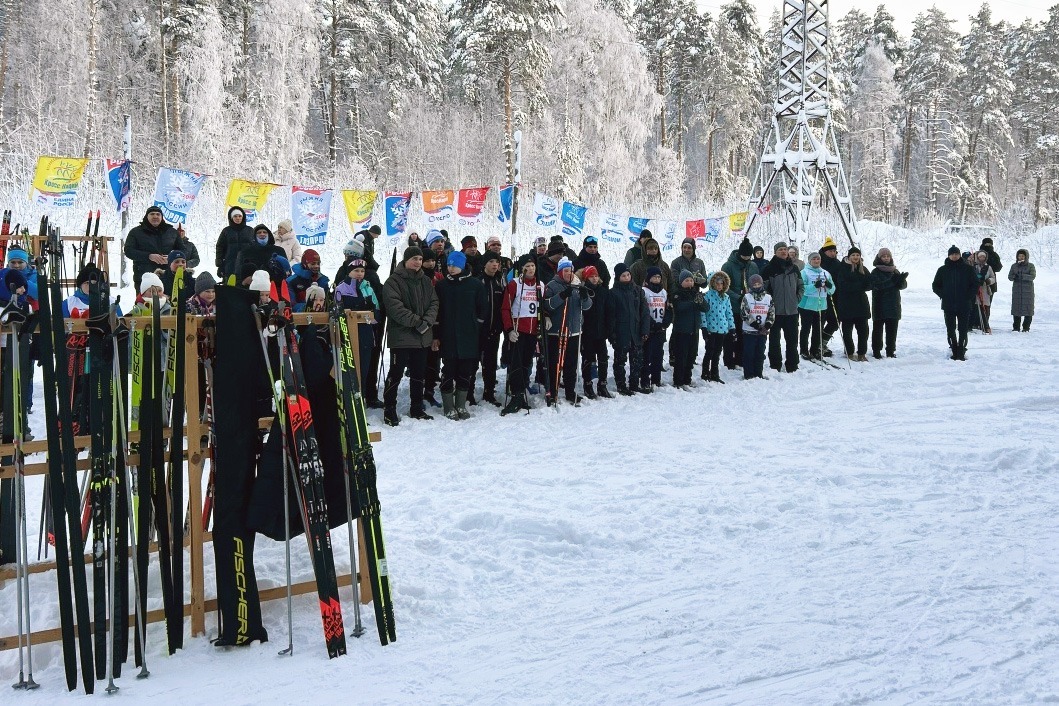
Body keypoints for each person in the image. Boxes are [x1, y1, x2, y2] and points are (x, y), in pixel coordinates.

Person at [381, 246, 439, 425]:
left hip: (422, 337)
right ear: (406, 260)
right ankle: (389, 408)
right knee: (396, 373)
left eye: (420, 259)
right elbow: (395, 308)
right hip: (402, 337)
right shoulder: (393, 281)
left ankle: (417, 407)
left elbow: (434, 303)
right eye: (414, 259)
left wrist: (427, 322)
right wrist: (418, 323)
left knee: (418, 374)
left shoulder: (425, 281)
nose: (418, 263)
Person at [433, 251, 484, 420]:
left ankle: (461, 404)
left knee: (465, 370)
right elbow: (437, 313)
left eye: (454, 265)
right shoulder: (441, 286)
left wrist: (476, 325)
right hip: (448, 335)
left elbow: (482, 309)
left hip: (469, 336)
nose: (451, 268)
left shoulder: (475, 285)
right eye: (448, 264)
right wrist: (436, 335)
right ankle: (448, 405)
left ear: (462, 265)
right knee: (448, 370)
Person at [543, 257, 592, 405]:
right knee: (555, 362)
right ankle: (552, 389)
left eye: (570, 270)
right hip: (557, 331)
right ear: (560, 272)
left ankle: (570, 391)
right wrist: (562, 296)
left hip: (574, 330)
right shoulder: (552, 285)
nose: (569, 273)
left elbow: (587, 306)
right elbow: (547, 305)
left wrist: (584, 297)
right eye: (565, 271)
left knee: (571, 363)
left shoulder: (577, 284)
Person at [500, 259, 544, 415]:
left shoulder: (540, 285)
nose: (531, 269)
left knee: (526, 364)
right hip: (518, 331)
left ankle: (521, 393)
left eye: (532, 266)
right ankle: (516, 395)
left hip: (533, 332)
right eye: (527, 266)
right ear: (522, 269)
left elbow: (542, 307)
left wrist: (544, 321)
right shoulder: (515, 284)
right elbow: (505, 308)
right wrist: (509, 329)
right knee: (516, 364)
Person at [124, 206, 199, 290]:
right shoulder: (135, 232)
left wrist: (172, 257)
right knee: (145, 302)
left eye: (158, 214)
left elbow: (183, 250)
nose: (155, 216)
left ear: (162, 217)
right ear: (146, 216)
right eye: (152, 214)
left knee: (170, 301)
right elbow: (128, 251)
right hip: (144, 275)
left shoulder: (171, 231)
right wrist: (149, 256)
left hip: (169, 276)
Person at [334, 258, 379, 396]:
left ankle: (362, 397)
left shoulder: (368, 288)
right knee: (348, 367)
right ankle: (347, 397)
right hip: (347, 332)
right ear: (349, 272)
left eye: (362, 271)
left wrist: (371, 318)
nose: (359, 273)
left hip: (365, 332)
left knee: (364, 367)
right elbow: (337, 311)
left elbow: (376, 310)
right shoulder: (341, 288)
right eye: (356, 270)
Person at [761, 242, 803, 373]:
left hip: (792, 311)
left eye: (785, 249)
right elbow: (763, 289)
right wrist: (770, 302)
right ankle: (775, 365)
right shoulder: (768, 269)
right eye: (780, 249)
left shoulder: (794, 268)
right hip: (775, 311)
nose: (784, 251)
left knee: (792, 340)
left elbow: (801, 286)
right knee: (774, 340)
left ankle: (792, 365)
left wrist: (797, 299)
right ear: (775, 252)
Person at [609, 263, 650, 395]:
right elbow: (611, 316)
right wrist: (612, 335)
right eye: (623, 275)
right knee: (620, 361)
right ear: (618, 277)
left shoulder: (638, 290)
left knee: (637, 360)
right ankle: (621, 385)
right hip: (621, 332)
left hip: (636, 331)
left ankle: (634, 383)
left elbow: (644, 312)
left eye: (628, 275)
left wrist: (644, 330)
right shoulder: (613, 293)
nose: (626, 277)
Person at [932, 245, 978, 361]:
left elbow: (975, 285)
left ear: (959, 255)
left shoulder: (968, 269)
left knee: (963, 328)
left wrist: (969, 296)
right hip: (948, 304)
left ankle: (961, 349)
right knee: (950, 328)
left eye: (956, 254)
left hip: (964, 304)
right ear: (949, 255)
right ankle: (954, 348)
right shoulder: (942, 269)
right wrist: (943, 295)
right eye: (952, 254)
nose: (954, 256)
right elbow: (935, 285)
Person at [721, 236, 758, 368]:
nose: (747, 259)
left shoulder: (752, 266)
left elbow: (756, 282)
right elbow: (724, 287)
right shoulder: (728, 266)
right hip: (733, 306)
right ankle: (729, 360)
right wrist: (737, 297)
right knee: (732, 334)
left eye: (749, 257)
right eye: (744, 256)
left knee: (744, 334)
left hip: (748, 307)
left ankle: (741, 359)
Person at [476, 252, 506, 406]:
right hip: (478, 331)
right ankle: (467, 393)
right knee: (473, 362)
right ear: (485, 263)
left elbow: (503, 307)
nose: (495, 264)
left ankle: (489, 392)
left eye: (497, 262)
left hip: (494, 330)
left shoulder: (500, 283)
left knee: (491, 363)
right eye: (492, 261)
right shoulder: (478, 282)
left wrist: (500, 326)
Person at [670, 271, 709, 388]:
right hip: (681, 330)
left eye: (691, 280)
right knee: (681, 357)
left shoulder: (695, 293)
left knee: (691, 356)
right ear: (681, 282)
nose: (689, 282)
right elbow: (679, 307)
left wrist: (700, 301)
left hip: (694, 329)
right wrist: (693, 303)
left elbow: (706, 308)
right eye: (686, 280)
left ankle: (687, 379)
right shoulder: (677, 294)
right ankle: (678, 381)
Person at [833, 246, 872, 361]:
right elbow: (843, 285)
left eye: (857, 255)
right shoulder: (843, 268)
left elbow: (870, 283)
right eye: (853, 255)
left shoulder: (863, 269)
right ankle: (849, 352)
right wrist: (860, 285)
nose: (855, 257)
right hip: (846, 304)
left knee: (863, 332)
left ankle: (862, 353)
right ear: (849, 257)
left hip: (861, 304)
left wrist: (864, 285)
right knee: (847, 332)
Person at [579, 265, 612, 399]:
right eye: (591, 276)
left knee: (603, 358)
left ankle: (602, 384)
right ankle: (588, 385)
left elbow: (609, 312)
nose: (594, 278)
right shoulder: (583, 290)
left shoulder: (604, 291)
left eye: (596, 276)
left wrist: (609, 329)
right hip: (587, 332)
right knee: (588, 359)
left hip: (601, 331)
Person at [869, 248, 908, 358]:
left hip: (893, 304)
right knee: (878, 330)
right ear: (879, 258)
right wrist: (892, 282)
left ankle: (890, 351)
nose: (886, 258)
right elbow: (877, 286)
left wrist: (901, 280)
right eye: (883, 256)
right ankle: (876, 351)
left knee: (892, 330)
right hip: (879, 304)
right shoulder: (875, 272)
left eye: (888, 256)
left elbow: (903, 286)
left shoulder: (894, 270)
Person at [798, 252, 836, 360]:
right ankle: (804, 350)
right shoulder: (804, 272)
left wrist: (829, 286)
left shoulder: (826, 273)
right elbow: (802, 288)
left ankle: (814, 350)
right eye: (814, 259)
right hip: (806, 305)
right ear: (810, 261)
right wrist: (814, 286)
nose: (816, 261)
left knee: (818, 329)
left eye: (818, 259)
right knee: (806, 328)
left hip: (821, 305)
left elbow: (832, 290)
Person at [639, 266, 670, 393]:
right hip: (649, 329)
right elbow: (642, 311)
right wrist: (651, 324)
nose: (657, 279)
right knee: (647, 356)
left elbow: (668, 309)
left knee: (658, 355)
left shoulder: (664, 292)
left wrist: (666, 322)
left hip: (660, 328)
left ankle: (656, 380)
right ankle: (645, 380)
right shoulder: (644, 291)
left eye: (658, 277)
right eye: (654, 277)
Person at [700, 271, 734, 383]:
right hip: (711, 328)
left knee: (717, 352)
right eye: (717, 283)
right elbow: (703, 313)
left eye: (721, 283)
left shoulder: (726, 297)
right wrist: (704, 327)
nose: (719, 286)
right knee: (709, 351)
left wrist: (732, 327)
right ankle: (705, 373)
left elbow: (729, 313)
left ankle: (715, 373)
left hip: (722, 329)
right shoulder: (707, 296)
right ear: (712, 284)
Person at [741, 274, 775, 379]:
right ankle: (748, 374)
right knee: (749, 353)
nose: (756, 286)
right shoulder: (747, 297)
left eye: (758, 284)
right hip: (749, 331)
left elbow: (772, 313)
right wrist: (756, 325)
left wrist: (767, 325)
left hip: (763, 332)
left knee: (760, 353)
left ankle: (758, 373)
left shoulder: (768, 297)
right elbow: (744, 313)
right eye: (754, 284)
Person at [817, 236, 842, 355]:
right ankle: (816, 345)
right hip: (820, 296)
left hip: (835, 296)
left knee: (835, 321)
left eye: (834, 251)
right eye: (830, 251)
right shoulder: (819, 262)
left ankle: (823, 342)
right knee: (820, 321)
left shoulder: (838, 263)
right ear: (825, 251)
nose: (833, 253)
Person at [215, 206, 254, 280]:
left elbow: (254, 247)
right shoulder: (226, 231)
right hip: (230, 264)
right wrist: (220, 265)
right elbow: (220, 247)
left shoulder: (250, 230)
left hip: (247, 264)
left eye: (240, 216)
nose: (238, 218)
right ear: (231, 218)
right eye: (235, 216)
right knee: (230, 288)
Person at [1008, 249, 1035, 332]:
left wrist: (1022, 276)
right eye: (1019, 256)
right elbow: (1010, 277)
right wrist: (1014, 276)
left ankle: (1026, 327)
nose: (1021, 257)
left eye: (1022, 256)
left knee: (1028, 309)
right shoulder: (1014, 266)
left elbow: (1032, 276)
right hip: (1017, 290)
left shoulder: (1031, 266)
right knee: (1016, 309)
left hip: (1028, 291)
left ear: (1026, 257)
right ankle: (1016, 327)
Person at [971, 251, 996, 334]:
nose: (982, 258)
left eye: (983, 257)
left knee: (985, 307)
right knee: (975, 307)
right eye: (980, 257)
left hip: (985, 289)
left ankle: (985, 325)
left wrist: (988, 281)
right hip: (976, 289)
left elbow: (993, 278)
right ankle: (974, 324)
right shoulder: (974, 267)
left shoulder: (988, 267)